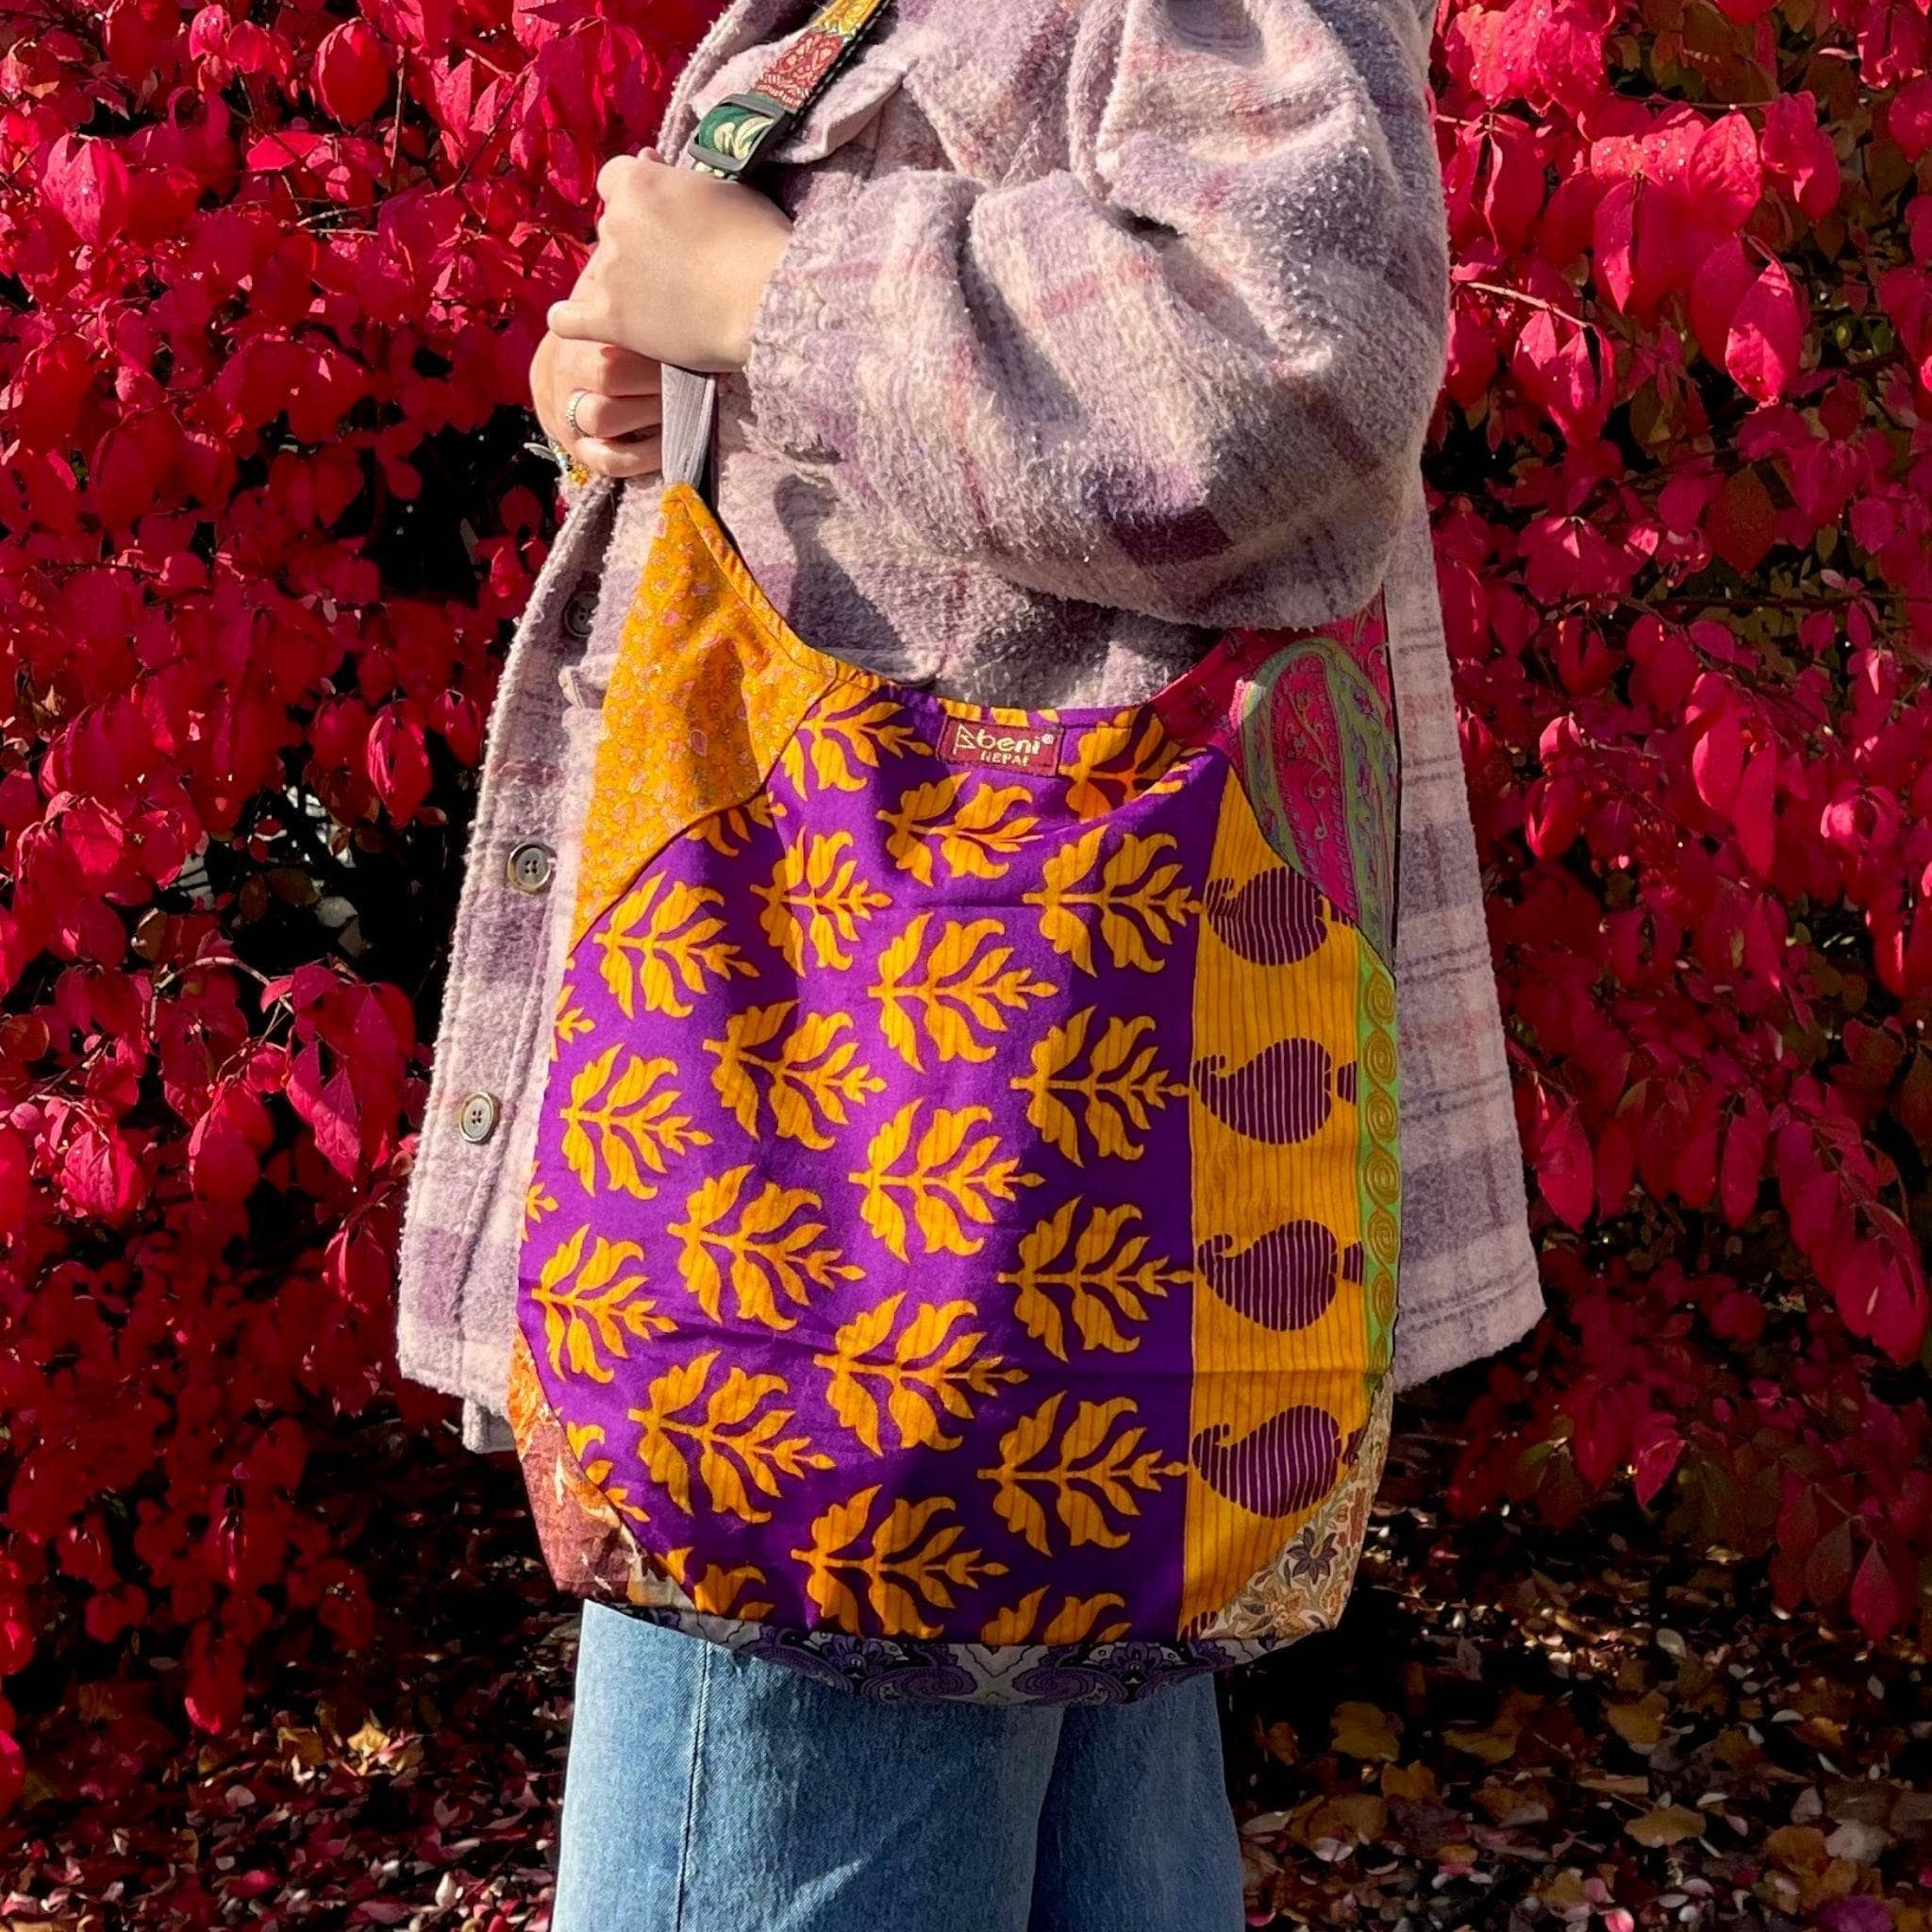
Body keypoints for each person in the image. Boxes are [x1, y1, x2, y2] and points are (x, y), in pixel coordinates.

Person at [396, 1, 1545, 1925]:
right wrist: (649, 375)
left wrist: (775, 295)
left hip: (858, 1216)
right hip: (1024, 1180)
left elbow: (1291, 369)